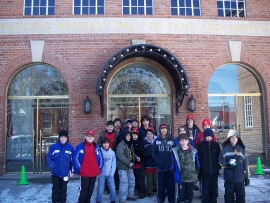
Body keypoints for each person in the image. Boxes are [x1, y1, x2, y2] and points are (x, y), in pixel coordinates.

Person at [218, 130, 250, 203]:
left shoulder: (242, 149)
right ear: (229, 139)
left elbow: (246, 164)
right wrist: (226, 164)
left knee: (241, 197)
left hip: (240, 178)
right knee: (228, 197)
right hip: (229, 178)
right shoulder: (225, 149)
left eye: (235, 137)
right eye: (232, 137)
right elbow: (220, 160)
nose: (234, 139)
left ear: (238, 138)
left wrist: (246, 177)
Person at [73, 130, 104, 203]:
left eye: (91, 136)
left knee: (90, 191)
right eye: (88, 136)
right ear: (85, 137)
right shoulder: (80, 146)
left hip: (94, 173)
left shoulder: (97, 147)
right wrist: (79, 169)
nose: (90, 138)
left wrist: (99, 169)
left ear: (94, 138)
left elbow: (101, 158)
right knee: (83, 191)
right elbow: (75, 158)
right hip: (84, 173)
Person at [170, 133, 200, 203]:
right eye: (181, 140)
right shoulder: (176, 151)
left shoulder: (193, 151)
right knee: (181, 193)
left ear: (188, 141)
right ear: (179, 142)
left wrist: (197, 169)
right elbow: (172, 161)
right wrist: (172, 168)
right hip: (181, 176)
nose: (183, 142)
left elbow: (197, 161)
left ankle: (188, 200)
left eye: (185, 140)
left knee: (189, 192)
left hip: (191, 176)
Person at [47, 130, 74, 203]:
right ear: (59, 138)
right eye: (61, 137)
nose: (63, 139)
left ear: (67, 138)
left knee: (63, 190)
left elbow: (72, 161)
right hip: (55, 173)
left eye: (65, 137)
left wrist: (71, 171)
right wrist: (51, 166)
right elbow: (49, 158)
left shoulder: (70, 148)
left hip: (65, 174)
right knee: (55, 189)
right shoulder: (54, 147)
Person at [152, 122, 176, 203]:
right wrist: (159, 161)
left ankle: (171, 200)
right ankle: (161, 200)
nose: (164, 130)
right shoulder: (156, 141)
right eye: (162, 129)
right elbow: (154, 153)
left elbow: (175, 153)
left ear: (167, 130)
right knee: (161, 187)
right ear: (160, 130)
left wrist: (172, 163)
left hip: (170, 168)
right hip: (161, 168)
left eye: (165, 128)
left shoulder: (172, 140)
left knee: (171, 187)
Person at [197, 128, 221, 203]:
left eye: (210, 136)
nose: (209, 138)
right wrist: (200, 169)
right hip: (204, 172)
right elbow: (199, 158)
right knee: (205, 190)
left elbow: (219, 157)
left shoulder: (216, 145)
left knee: (214, 189)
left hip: (214, 172)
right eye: (207, 136)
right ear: (204, 136)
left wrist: (218, 167)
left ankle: (213, 201)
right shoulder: (201, 146)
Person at [116, 130, 139, 203]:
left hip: (130, 167)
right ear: (124, 136)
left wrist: (136, 157)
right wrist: (129, 163)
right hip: (123, 167)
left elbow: (132, 154)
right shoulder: (120, 145)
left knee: (132, 181)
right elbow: (121, 156)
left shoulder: (130, 144)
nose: (128, 137)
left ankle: (130, 195)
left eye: (129, 136)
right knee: (124, 183)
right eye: (127, 136)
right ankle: (122, 199)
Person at [96, 138, 116, 203]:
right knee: (100, 189)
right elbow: (97, 162)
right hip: (101, 174)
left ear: (109, 144)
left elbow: (114, 163)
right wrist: (98, 172)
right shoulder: (99, 152)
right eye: (104, 143)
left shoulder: (112, 153)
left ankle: (112, 200)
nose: (105, 145)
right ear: (102, 144)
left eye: (107, 143)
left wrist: (112, 173)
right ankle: (98, 200)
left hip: (110, 174)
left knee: (112, 188)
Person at [142, 126, 157, 197]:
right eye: (148, 134)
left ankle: (156, 189)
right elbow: (143, 153)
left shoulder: (157, 141)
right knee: (149, 179)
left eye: (151, 134)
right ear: (146, 135)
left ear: (153, 134)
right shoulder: (144, 142)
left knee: (156, 179)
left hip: (156, 164)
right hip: (148, 164)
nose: (149, 135)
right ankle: (149, 191)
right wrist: (151, 153)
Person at [131, 128, 146, 199]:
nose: (134, 136)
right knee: (133, 179)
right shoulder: (129, 142)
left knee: (140, 178)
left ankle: (143, 191)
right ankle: (136, 190)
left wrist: (133, 149)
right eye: (133, 135)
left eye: (135, 135)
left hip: (138, 164)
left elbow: (141, 151)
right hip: (131, 164)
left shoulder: (139, 142)